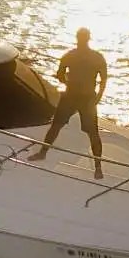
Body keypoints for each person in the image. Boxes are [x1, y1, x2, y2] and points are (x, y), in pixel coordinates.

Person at [28, 28, 109, 179]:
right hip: (83, 97)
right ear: (88, 38)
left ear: (77, 38)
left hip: (75, 95)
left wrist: (69, 82)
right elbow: (103, 79)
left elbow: (59, 75)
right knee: (84, 132)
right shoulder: (96, 57)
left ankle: (43, 153)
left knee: (62, 127)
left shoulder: (70, 56)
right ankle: (98, 168)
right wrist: (98, 95)